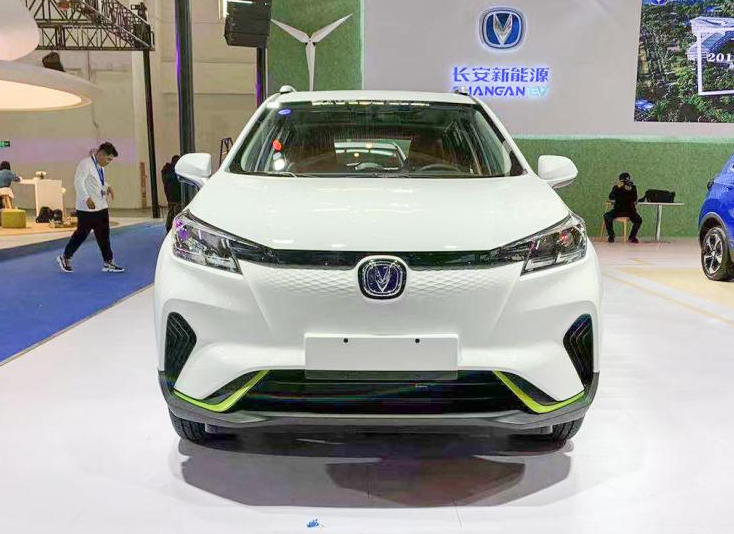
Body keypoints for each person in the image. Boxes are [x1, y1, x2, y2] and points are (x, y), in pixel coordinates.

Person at [57, 142, 125, 273]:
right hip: (87, 208)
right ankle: (65, 257)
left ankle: (108, 262)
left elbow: (97, 181)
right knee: (81, 235)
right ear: (101, 154)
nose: (109, 162)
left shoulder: (100, 166)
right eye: (108, 159)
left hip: (101, 206)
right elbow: (78, 181)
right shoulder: (85, 164)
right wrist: (86, 198)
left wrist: (107, 186)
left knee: (104, 235)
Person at [604, 172, 642, 243]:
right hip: (618, 210)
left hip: (630, 210)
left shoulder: (633, 187)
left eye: (627, 180)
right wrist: (617, 188)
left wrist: (631, 190)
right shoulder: (616, 187)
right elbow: (611, 197)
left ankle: (632, 237)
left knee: (638, 220)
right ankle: (611, 235)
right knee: (607, 216)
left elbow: (634, 199)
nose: (625, 182)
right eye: (624, 180)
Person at [162, 155, 181, 233]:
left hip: (170, 196)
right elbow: (175, 182)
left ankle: (169, 229)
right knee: (178, 214)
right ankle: (179, 231)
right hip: (176, 196)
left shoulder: (166, 170)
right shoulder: (174, 171)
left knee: (171, 213)